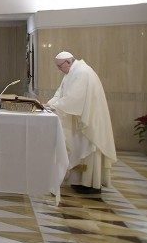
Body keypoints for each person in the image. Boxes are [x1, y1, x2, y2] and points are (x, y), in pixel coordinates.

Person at [46, 52, 117, 195]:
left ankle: (90, 183)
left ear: (68, 62)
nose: (59, 70)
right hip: (80, 117)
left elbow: (73, 99)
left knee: (88, 148)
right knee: (79, 149)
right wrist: (49, 104)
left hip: (89, 120)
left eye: (60, 66)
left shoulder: (82, 72)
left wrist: (55, 106)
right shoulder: (71, 73)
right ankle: (80, 181)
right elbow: (60, 93)